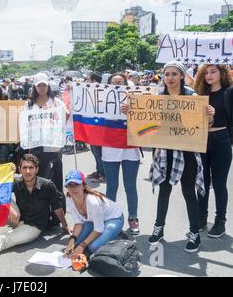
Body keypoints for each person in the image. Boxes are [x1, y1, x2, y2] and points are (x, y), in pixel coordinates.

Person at [148, 60, 215, 252]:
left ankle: (194, 233)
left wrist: (209, 115)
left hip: (187, 152)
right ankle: (159, 228)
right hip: (165, 152)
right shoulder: (158, 97)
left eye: (174, 74)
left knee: (188, 193)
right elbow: (146, 121)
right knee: (164, 191)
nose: (170, 78)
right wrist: (131, 112)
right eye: (166, 74)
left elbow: (204, 125)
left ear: (181, 76)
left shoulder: (192, 96)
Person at [23, 72, 70, 227]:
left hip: (53, 146)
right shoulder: (29, 104)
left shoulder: (56, 102)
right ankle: (41, 217)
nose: (42, 88)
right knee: (39, 183)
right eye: (39, 85)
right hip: (35, 147)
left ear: (48, 86)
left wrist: (62, 113)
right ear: (35, 87)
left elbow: (66, 116)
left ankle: (57, 218)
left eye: (44, 85)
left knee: (55, 182)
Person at [194, 64, 233, 238]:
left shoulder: (230, 91)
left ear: (222, 73)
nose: (209, 75)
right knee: (202, 181)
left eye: (213, 71)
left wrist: (215, 115)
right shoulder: (200, 95)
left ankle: (220, 221)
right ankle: (201, 218)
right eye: (206, 72)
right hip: (201, 139)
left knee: (218, 183)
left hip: (221, 139)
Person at [102, 73, 141, 236]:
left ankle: (133, 219)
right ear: (109, 84)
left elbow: (146, 120)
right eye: (114, 82)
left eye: (120, 82)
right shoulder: (101, 100)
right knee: (111, 186)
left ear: (126, 83)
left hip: (130, 148)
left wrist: (132, 112)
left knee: (130, 186)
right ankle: (111, 218)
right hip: (110, 148)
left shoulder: (135, 99)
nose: (117, 84)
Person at [63, 170, 124, 258]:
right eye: (70, 185)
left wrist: (82, 246)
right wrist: (72, 239)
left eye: (77, 184)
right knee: (75, 243)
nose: (73, 188)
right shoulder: (69, 198)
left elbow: (98, 229)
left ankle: (117, 236)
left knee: (93, 247)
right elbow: (78, 223)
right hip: (93, 221)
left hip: (114, 219)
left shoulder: (92, 202)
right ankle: (106, 236)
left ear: (83, 185)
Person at [85, 72, 105, 183]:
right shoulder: (91, 92)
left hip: (98, 127)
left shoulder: (98, 92)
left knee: (98, 152)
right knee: (95, 151)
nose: (86, 82)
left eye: (88, 80)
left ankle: (102, 174)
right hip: (93, 126)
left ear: (94, 81)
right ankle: (99, 171)